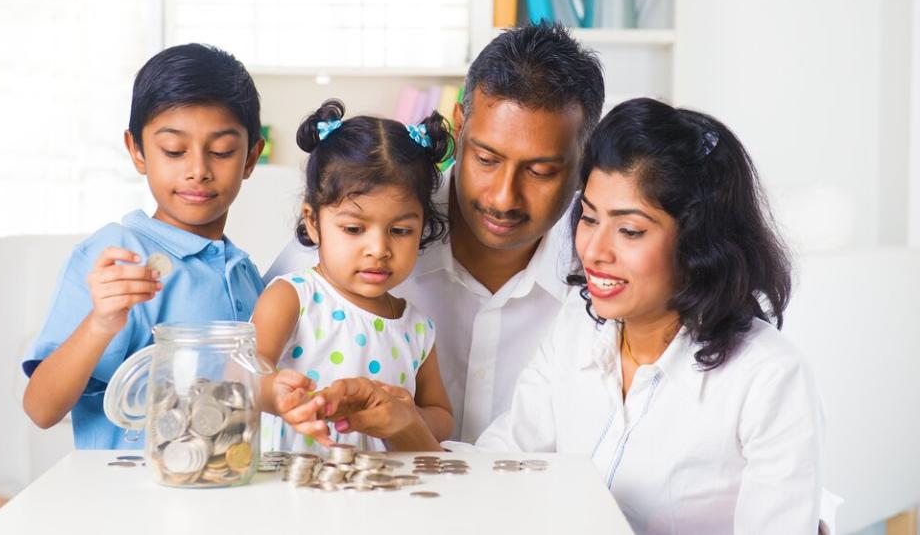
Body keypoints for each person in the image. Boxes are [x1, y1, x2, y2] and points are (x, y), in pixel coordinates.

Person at [323, 98, 823, 533]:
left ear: (699, 243)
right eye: (588, 218)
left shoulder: (768, 378)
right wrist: (402, 422)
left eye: (630, 231)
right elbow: (500, 466)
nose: (594, 250)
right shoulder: (579, 330)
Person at [264, 22, 605, 442]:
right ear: (459, 126)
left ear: (583, 160)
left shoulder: (603, 271)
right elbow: (240, 369)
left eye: (540, 171)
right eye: (486, 159)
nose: (503, 197)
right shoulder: (329, 251)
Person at [22, 43, 266, 449]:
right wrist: (101, 322)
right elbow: (40, 409)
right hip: (130, 504)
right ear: (137, 150)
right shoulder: (117, 255)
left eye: (222, 151)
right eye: (173, 150)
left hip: (223, 493)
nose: (198, 170)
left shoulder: (244, 271)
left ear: (251, 157)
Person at [253, 99, 454, 451]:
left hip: (387, 494)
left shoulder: (417, 327)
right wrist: (274, 393)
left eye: (401, 231)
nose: (379, 249)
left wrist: (406, 415)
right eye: (354, 228)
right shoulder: (293, 298)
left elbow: (442, 416)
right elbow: (241, 374)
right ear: (313, 222)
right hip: (295, 493)